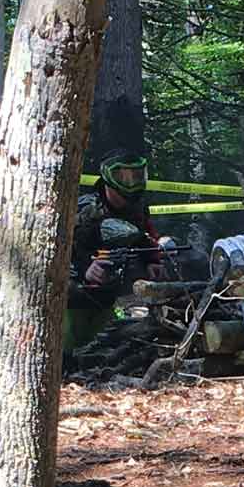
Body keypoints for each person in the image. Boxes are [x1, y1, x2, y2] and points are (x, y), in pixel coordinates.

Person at [65, 148, 163, 351]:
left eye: (136, 176)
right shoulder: (84, 210)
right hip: (72, 295)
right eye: (123, 177)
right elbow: (59, 251)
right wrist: (86, 269)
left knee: (100, 347)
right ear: (107, 178)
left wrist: (152, 260)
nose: (131, 184)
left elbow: (144, 235)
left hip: (107, 294)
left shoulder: (137, 207)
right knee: (69, 345)